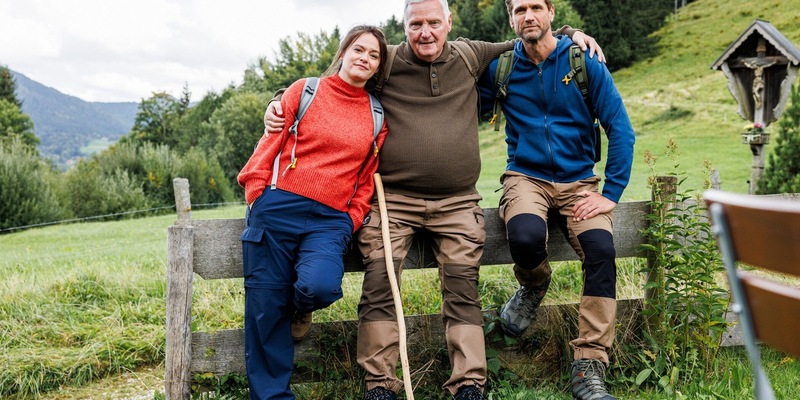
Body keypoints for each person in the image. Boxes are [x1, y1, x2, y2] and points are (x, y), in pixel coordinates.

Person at [264, 1, 603, 398]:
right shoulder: (385, 60)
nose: (425, 32)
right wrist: (277, 100)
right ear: (404, 25)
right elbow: (334, 82)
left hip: (457, 202)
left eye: (433, 23)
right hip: (395, 201)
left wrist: (567, 33)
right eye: (415, 24)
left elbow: (525, 39)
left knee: (462, 286)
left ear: (449, 23)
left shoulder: (469, 53)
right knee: (380, 282)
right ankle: (380, 383)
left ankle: (469, 382)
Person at [477, 1, 635, 399]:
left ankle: (590, 364)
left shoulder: (585, 62)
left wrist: (610, 195)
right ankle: (534, 286)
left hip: (579, 181)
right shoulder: (501, 67)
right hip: (525, 176)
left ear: (550, 11)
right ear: (510, 18)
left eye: (535, 7)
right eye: (519, 9)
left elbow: (621, 129)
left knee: (601, 251)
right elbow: (457, 89)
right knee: (526, 236)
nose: (528, 16)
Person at [237, 25, 389, 400]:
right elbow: (268, 145)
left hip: (329, 220)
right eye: (359, 49)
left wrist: (350, 218)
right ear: (343, 52)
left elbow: (366, 178)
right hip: (277, 208)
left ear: (377, 68)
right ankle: (272, 396)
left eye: (373, 55)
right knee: (266, 310)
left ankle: (302, 308)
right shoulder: (305, 91)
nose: (364, 58)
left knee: (319, 286)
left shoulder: (376, 114)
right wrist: (257, 193)